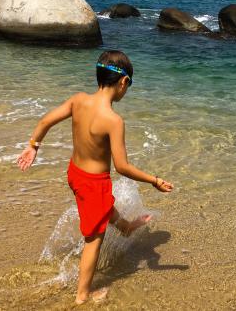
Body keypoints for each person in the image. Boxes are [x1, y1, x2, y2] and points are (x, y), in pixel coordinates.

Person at [16, 50, 174, 304]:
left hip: (75, 174)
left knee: (100, 208)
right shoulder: (113, 120)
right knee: (93, 241)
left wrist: (33, 145)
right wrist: (153, 180)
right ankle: (82, 295)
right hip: (94, 182)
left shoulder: (78, 100)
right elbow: (121, 166)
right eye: (128, 85)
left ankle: (124, 226)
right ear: (123, 82)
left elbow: (46, 120)